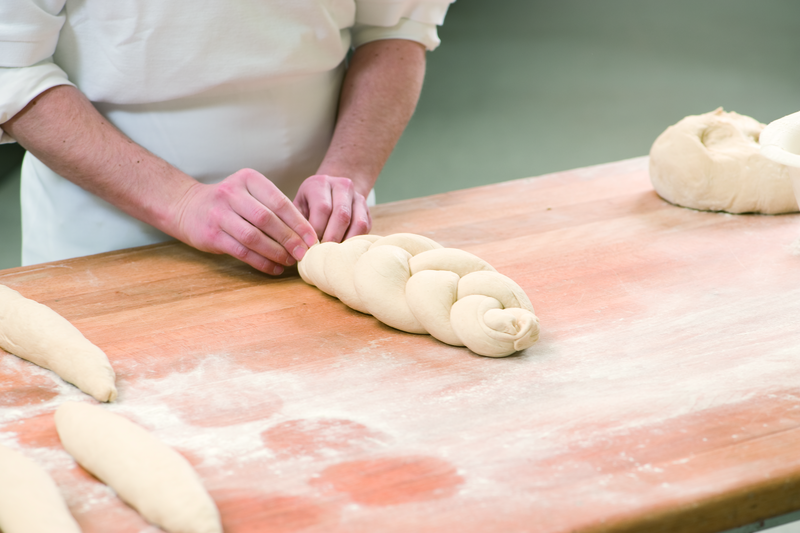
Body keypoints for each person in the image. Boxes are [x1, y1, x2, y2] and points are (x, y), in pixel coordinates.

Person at [0, 0, 455, 275]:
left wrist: (347, 173)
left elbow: (396, 28)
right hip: (107, 243)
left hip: (323, 239)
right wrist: (180, 202)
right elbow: (12, 68)